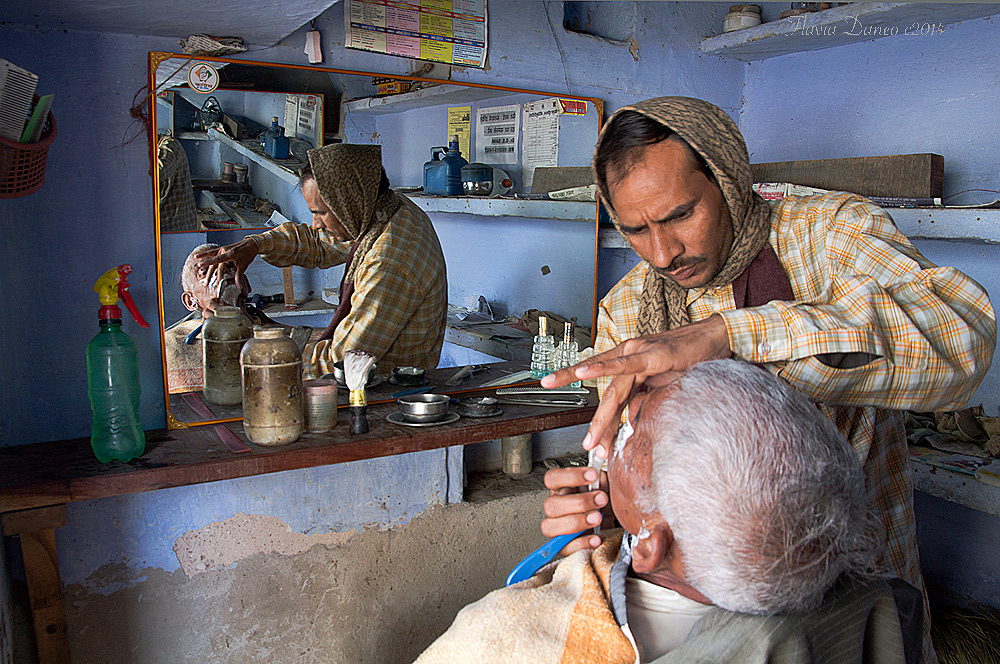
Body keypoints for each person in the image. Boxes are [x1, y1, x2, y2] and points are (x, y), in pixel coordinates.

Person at [539, 97, 996, 664]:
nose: (663, 252)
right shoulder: (630, 312)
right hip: (712, 630)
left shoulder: (831, 236)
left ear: (727, 182)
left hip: (859, 600)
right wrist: (603, 503)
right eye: (635, 229)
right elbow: (633, 472)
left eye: (680, 215)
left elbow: (964, 339)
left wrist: (735, 335)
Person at [416, 360, 922, 664]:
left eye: (634, 426)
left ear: (653, 546)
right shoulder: (857, 599)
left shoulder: (499, 636)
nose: (621, 419)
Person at [196, 143, 448, 378]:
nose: (316, 224)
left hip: (384, 388)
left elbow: (339, 363)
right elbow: (319, 244)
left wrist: (246, 342)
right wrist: (255, 244)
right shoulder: (383, 209)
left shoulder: (390, 261)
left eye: (320, 213)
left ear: (348, 204)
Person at [164, 243, 308, 394]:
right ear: (190, 301)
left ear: (246, 285)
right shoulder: (170, 345)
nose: (222, 275)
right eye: (205, 272)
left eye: (231, 268)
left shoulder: (278, 333)